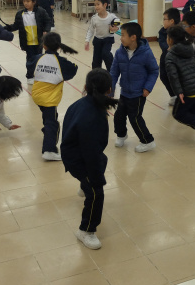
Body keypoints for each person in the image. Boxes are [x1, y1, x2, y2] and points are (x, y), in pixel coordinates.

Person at [61, 69, 118, 250]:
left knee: (103, 160)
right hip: (78, 159)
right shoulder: (93, 116)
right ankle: (86, 230)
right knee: (96, 193)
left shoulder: (80, 104)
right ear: (109, 89)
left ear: (85, 87)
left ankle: (83, 185)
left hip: (74, 151)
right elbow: (90, 153)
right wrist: (95, 179)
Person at [27, 32, 78, 161]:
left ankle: (47, 132)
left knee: (48, 116)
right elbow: (73, 70)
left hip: (36, 95)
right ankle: (49, 150)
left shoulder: (37, 58)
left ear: (44, 46)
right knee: (53, 123)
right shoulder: (61, 62)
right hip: (49, 99)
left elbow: (29, 67)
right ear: (59, 46)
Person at [110, 22, 159, 153]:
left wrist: (147, 87)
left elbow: (154, 71)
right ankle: (121, 135)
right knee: (119, 115)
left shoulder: (146, 53)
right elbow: (114, 72)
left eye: (123, 35)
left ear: (133, 37)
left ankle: (147, 141)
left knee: (135, 117)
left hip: (139, 93)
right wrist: (111, 89)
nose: (121, 38)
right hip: (125, 91)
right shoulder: (120, 52)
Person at [6, 0, 52, 84]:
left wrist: (46, 30)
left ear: (34, 2)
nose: (26, 3)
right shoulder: (20, 14)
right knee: (30, 60)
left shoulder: (41, 11)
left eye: (28, 1)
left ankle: (38, 74)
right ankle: (30, 76)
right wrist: (5, 28)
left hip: (39, 42)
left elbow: (48, 21)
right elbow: (16, 26)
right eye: (24, 1)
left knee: (38, 59)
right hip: (28, 42)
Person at [84, 0, 119, 71]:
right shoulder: (94, 18)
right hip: (97, 40)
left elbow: (119, 25)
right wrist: (87, 40)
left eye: (98, 4)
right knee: (96, 60)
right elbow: (90, 30)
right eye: (95, 5)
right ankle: (96, 74)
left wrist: (115, 28)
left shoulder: (112, 17)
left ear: (105, 5)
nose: (96, 7)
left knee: (106, 54)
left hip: (108, 39)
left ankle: (112, 72)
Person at [158, 8, 180, 107]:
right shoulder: (162, 32)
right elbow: (163, 44)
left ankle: (180, 96)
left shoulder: (181, 31)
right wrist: (169, 48)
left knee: (177, 77)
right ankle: (173, 95)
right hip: (166, 57)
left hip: (178, 58)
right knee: (163, 76)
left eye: (164, 19)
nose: (163, 21)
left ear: (172, 21)